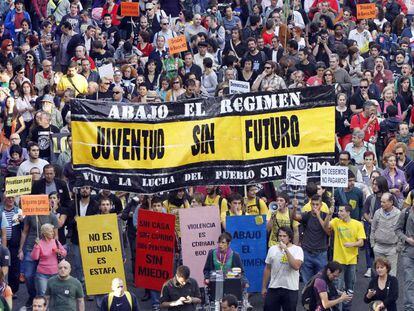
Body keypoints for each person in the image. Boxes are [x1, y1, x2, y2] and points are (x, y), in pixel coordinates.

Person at [328, 205, 365, 311]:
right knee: (337, 288)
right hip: (338, 261)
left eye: (341, 211)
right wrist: (330, 214)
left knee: (350, 287)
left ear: (348, 212)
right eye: (338, 211)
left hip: (351, 260)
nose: (339, 213)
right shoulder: (336, 221)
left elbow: (361, 242)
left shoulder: (357, 224)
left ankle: (347, 308)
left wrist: (352, 244)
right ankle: (337, 309)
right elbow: (326, 226)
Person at [291, 195, 331, 284]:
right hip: (307, 253)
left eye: (317, 204)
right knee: (307, 282)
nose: (315, 207)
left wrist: (318, 216)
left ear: (321, 205)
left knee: (321, 282)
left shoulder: (325, 216)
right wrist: (294, 208)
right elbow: (294, 217)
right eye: (313, 204)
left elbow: (328, 231)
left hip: (321, 254)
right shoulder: (307, 215)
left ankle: (319, 298)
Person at [262, 226, 303, 311]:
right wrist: (264, 287)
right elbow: (267, 268)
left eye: (284, 236)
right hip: (274, 287)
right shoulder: (272, 249)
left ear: (290, 237)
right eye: (280, 236)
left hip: (290, 288)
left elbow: (296, 266)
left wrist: (286, 250)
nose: (282, 238)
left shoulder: (297, 250)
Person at [31, 223, 67, 295]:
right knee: (43, 294)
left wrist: (58, 251)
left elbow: (64, 253)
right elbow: (35, 257)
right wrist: (36, 246)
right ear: (45, 233)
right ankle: (45, 306)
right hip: (42, 274)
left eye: (53, 231)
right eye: (51, 231)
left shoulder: (56, 242)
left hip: (56, 273)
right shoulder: (39, 243)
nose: (53, 233)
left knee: (56, 294)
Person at [370, 192, 401, 276]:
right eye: (381, 202)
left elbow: (401, 232)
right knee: (379, 273)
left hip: (392, 249)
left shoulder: (398, 214)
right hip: (378, 247)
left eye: (384, 202)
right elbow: (372, 229)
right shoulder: (377, 213)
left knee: (391, 274)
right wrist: (373, 245)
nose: (381, 204)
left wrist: (398, 248)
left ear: (391, 202)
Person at [395, 200, 414, 311]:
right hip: (409, 252)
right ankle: (409, 308)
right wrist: (406, 239)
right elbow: (397, 229)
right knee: (409, 281)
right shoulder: (405, 212)